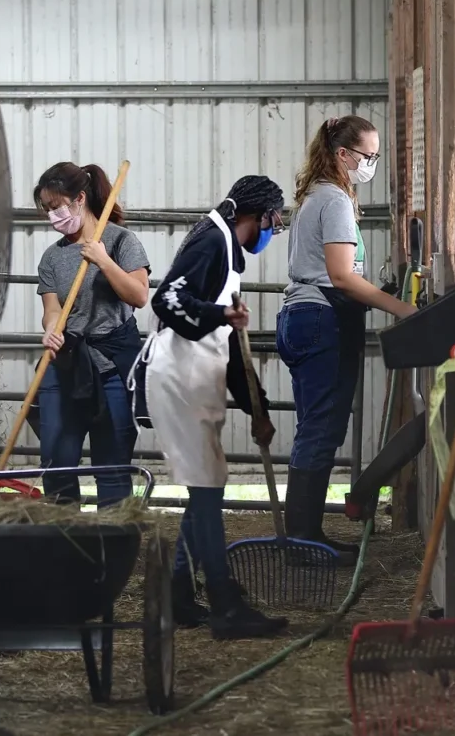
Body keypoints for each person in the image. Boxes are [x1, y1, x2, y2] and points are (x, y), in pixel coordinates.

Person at [138, 175, 289, 640]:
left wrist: (256, 408)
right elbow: (166, 301)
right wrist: (221, 314)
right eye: (274, 220)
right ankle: (225, 603)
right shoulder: (211, 241)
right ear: (258, 215)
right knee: (207, 490)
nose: (274, 229)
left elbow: (231, 349)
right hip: (179, 379)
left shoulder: (224, 245)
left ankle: (180, 591)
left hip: (196, 377)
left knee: (207, 488)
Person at [277, 116, 417, 565]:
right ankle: (301, 539)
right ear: (342, 154)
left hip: (304, 314)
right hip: (323, 316)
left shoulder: (317, 196)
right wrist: (403, 309)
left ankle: (306, 533)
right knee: (320, 428)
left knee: (317, 426)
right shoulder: (333, 199)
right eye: (367, 156)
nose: (370, 164)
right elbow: (340, 275)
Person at [35, 162, 151, 508]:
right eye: (47, 209)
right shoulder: (52, 257)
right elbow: (52, 310)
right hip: (67, 363)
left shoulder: (120, 241)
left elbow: (139, 296)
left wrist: (104, 261)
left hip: (113, 365)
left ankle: (112, 551)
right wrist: (52, 330)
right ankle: (64, 547)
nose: (53, 215)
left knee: (112, 466)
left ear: (79, 199)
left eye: (56, 206)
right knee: (56, 463)